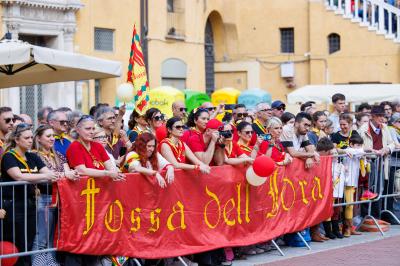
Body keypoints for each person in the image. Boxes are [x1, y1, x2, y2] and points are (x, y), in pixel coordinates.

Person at [0, 123, 58, 266]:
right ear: (17, 140)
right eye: (26, 138)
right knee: (16, 241)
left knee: (29, 240)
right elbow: (19, 177)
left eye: (31, 137)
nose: (30, 140)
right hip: (13, 205)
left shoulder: (32, 156)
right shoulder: (9, 156)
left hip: (30, 203)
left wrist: (54, 175)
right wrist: (43, 176)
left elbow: (48, 173)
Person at [31, 124, 79, 265]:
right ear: (38, 139)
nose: (52, 139)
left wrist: (69, 174)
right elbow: (50, 175)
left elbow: (67, 172)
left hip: (60, 200)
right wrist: (66, 174)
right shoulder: (34, 155)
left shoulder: (58, 155)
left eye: (53, 136)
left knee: (53, 237)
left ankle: (51, 262)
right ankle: (38, 263)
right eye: (48, 136)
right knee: (42, 237)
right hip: (44, 199)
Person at [358, 105, 396, 221]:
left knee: (379, 190)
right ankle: (366, 217)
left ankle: (376, 216)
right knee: (367, 190)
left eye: (383, 116)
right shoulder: (363, 129)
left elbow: (392, 143)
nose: (381, 118)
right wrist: (370, 151)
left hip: (381, 162)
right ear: (372, 116)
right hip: (367, 163)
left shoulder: (385, 127)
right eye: (379, 116)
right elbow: (358, 147)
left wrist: (387, 149)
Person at [66, 115, 124, 181]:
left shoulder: (98, 145)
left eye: (93, 129)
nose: (92, 132)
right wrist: (107, 173)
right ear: (78, 130)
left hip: (102, 187)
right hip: (83, 188)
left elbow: (110, 166)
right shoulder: (74, 146)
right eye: (88, 129)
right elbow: (81, 170)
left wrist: (114, 172)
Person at [316, 137, 343, 239]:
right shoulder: (318, 158)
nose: (332, 155)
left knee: (336, 209)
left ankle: (335, 229)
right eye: (330, 152)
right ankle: (324, 231)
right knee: (326, 209)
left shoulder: (338, 165)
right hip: (322, 189)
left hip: (335, 190)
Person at [341, 134, 364, 237]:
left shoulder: (354, 151)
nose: (359, 147)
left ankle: (349, 227)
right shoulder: (349, 150)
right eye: (357, 145)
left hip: (352, 182)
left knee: (350, 205)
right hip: (347, 182)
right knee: (348, 205)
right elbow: (359, 151)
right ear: (351, 144)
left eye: (360, 145)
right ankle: (347, 228)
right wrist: (364, 150)